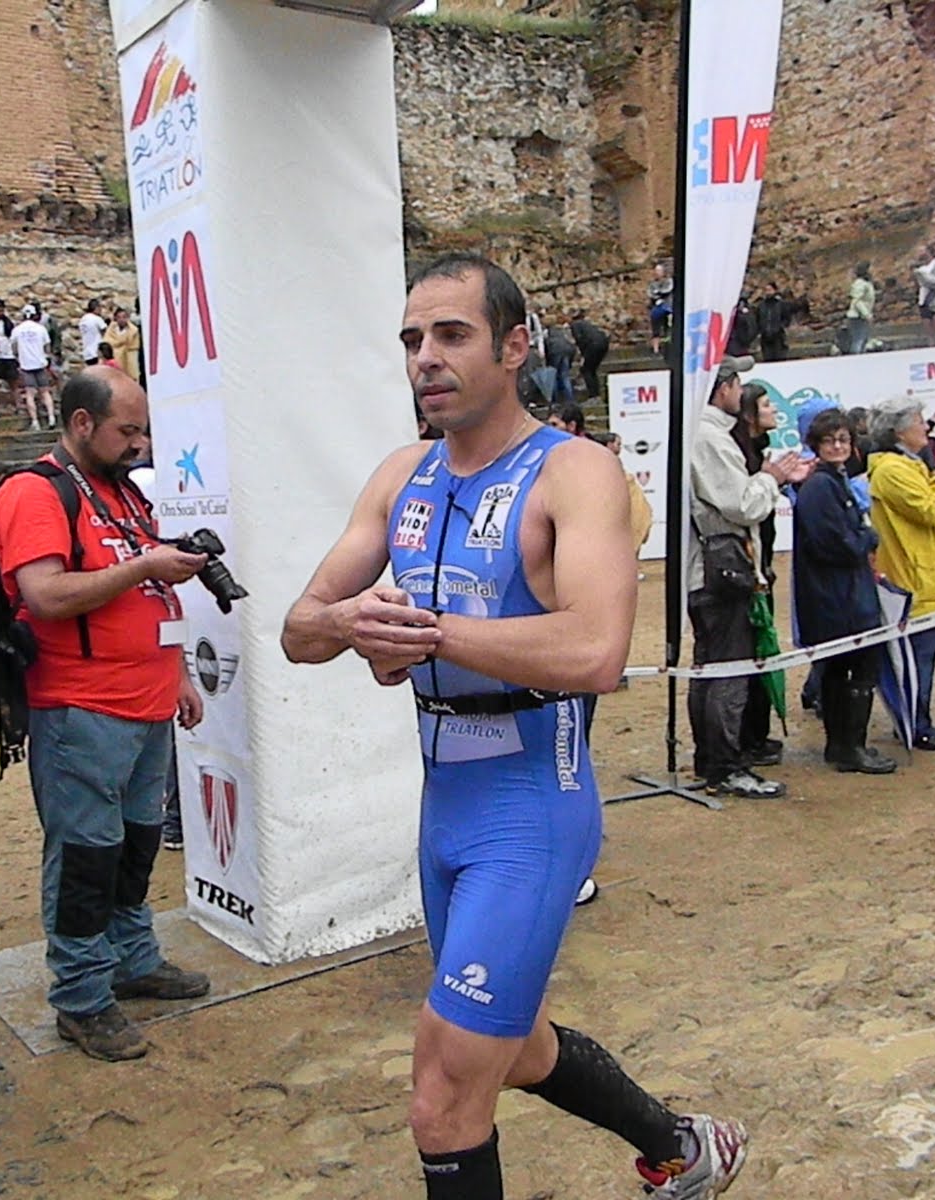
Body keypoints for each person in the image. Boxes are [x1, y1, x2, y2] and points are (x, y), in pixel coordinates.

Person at [281, 253, 748, 1199]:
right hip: (444, 815)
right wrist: (352, 622)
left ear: (514, 346)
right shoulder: (400, 475)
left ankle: (680, 1149)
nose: (426, 357)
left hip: (533, 812)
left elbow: (596, 651)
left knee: (444, 1094)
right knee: (512, 1041)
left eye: (452, 334)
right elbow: (299, 630)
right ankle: (682, 1147)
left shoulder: (574, 471)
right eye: (412, 339)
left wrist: (425, 631)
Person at [0, 367, 212, 1063]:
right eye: (128, 431)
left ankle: (132, 959)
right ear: (82, 423)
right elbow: (46, 594)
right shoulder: (35, 492)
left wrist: (176, 674)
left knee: (136, 845)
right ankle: (82, 999)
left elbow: (151, 600)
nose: (140, 445)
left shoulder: (121, 491)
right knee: (85, 858)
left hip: (145, 702)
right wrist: (144, 566)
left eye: (144, 431)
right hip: (80, 709)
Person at [689, 356, 806, 798]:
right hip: (720, 575)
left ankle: (714, 761)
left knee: (712, 669)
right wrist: (770, 478)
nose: (741, 392)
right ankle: (725, 765)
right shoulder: (709, 437)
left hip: (711, 573)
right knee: (728, 672)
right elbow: (742, 505)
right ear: (723, 389)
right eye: (737, 383)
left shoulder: (706, 433)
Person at [793, 409, 896, 774]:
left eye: (843, 440)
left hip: (845, 593)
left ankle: (847, 745)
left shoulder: (834, 482)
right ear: (816, 445)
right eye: (829, 441)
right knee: (853, 670)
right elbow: (834, 543)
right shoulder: (820, 487)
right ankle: (849, 746)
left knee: (845, 672)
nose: (837, 446)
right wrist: (867, 539)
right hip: (836, 598)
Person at [867, 397, 935, 752]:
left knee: (925, 656)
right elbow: (931, 510)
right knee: (918, 659)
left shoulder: (913, 465)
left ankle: (917, 720)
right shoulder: (892, 472)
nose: (926, 426)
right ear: (898, 431)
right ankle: (916, 724)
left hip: (930, 575)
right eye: (919, 420)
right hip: (914, 580)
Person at [732, 383, 785, 770]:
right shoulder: (740, 453)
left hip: (762, 561)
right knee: (751, 650)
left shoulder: (759, 449)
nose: (773, 410)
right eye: (766, 405)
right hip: (747, 564)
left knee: (764, 649)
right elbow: (746, 506)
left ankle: (758, 733)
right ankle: (747, 738)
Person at [12, 304, 57, 431]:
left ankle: (35, 421)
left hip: (26, 364)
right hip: (40, 363)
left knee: (30, 394)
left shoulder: (17, 330)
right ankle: (51, 417)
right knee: (45, 392)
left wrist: (18, 356)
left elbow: (13, 346)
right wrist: (46, 357)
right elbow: (47, 346)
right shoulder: (40, 329)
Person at [754, 281, 805, 362]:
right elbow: (757, 318)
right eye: (766, 290)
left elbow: (787, 318)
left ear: (774, 290)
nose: (768, 292)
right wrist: (761, 329)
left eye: (770, 290)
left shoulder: (781, 304)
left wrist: (780, 327)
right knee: (767, 359)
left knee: (779, 358)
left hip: (778, 337)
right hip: (765, 337)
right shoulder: (761, 305)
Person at [568, 311, 610, 400]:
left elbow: (580, 339)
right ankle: (596, 393)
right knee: (592, 369)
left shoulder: (575, 325)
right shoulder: (587, 324)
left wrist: (583, 355)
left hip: (592, 346)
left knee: (586, 370)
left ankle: (593, 395)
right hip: (603, 344)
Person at [0, 304, 20, 412]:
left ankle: (18, 405)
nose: (0, 313)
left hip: (9, 356)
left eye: (1, 311)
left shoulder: (8, 323)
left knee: (14, 383)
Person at [845, 262, 876, 354]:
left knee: (862, 340)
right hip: (857, 317)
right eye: (871, 268)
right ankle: (855, 358)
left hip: (862, 317)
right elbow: (857, 301)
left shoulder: (866, 283)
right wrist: (867, 314)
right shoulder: (860, 283)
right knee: (858, 341)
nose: (873, 270)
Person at [543, 322, 576, 405]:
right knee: (565, 376)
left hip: (555, 352)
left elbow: (546, 350)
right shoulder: (563, 334)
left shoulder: (548, 335)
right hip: (566, 351)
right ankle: (570, 399)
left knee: (553, 375)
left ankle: (554, 400)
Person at [106, 306, 142, 381]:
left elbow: (133, 349)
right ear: (116, 318)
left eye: (124, 317)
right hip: (113, 362)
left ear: (127, 318)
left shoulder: (133, 331)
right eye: (119, 317)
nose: (121, 319)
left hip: (127, 361)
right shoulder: (111, 330)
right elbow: (107, 341)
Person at [646, 262, 674, 355]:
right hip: (656, 308)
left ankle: (669, 347)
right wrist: (657, 295)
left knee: (669, 327)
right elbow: (650, 293)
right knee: (656, 329)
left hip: (668, 308)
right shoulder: (652, 284)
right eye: (656, 271)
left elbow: (667, 290)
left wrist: (658, 292)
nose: (657, 273)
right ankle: (656, 349)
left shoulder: (669, 281)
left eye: (659, 270)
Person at [78, 299, 107, 367]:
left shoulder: (83, 319)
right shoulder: (97, 319)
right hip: (96, 351)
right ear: (96, 308)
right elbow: (106, 331)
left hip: (87, 353)